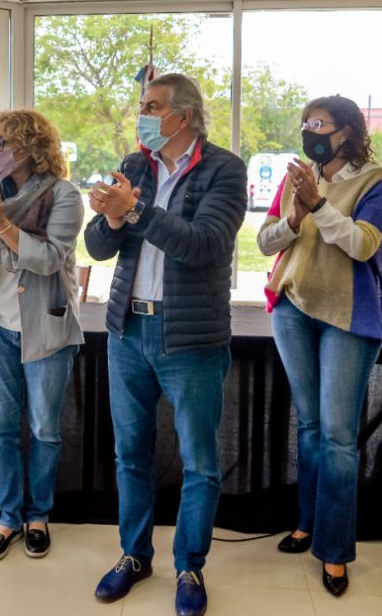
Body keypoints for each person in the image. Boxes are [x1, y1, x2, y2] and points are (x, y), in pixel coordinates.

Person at [84, 73, 247, 615]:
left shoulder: (225, 169)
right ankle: (135, 556)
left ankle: (189, 566)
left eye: (152, 106)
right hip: (128, 332)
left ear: (184, 116)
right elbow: (98, 246)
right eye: (142, 105)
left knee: (199, 461)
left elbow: (205, 245)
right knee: (130, 454)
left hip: (191, 337)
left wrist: (135, 211)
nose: (143, 115)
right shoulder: (135, 166)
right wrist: (111, 218)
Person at [258, 95, 382, 598]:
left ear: (347, 132)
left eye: (319, 123)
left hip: (347, 317)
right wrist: (295, 217)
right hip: (293, 310)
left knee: (338, 437)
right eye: (306, 123)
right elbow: (265, 241)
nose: (310, 131)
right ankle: (307, 522)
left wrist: (318, 205)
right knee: (311, 427)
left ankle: (334, 549)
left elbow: (363, 245)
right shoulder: (298, 178)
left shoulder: (374, 180)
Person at [0, 109, 84, 561]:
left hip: (45, 327)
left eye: (4, 143)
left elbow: (48, 259)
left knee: (45, 429)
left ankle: (38, 516)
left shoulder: (64, 195)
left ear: (33, 148)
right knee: (2, 430)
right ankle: (8, 517)